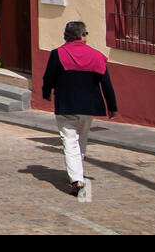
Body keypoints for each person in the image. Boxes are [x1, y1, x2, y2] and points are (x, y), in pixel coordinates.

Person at [41, 20, 118, 196]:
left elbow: (49, 77)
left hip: (67, 104)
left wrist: (46, 93)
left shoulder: (58, 54)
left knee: (69, 141)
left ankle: (76, 178)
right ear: (82, 35)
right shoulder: (96, 55)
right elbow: (106, 83)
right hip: (89, 106)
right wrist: (112, 106)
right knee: (81, 139)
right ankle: (77, 173)